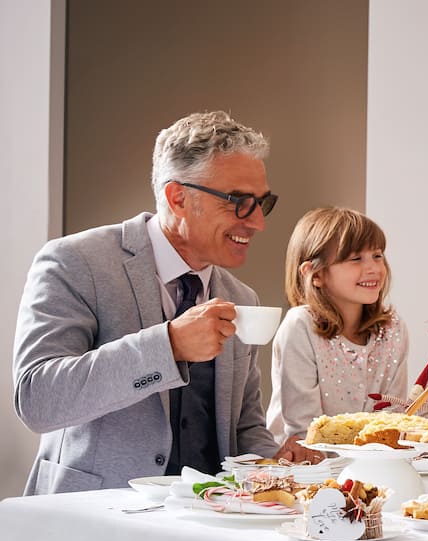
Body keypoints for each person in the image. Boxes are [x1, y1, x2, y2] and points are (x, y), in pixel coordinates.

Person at [12, 110, 318, 496]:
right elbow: (38, 400)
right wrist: (169, 345)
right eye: (239, 202)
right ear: (177, 197)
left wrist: (273, 461)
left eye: (262, 203)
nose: (258, 223)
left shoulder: (242, 298)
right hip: (93, 522)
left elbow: (242, 427)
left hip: (208, 528)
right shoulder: (75, 262)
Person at [267, 207, 409, 445]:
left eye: (377, 255)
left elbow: (392, 418)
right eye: (356, 259)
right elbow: (304, 430)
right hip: (303, 467)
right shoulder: (300, 325)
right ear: (315, 274)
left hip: (370, 466)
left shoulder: (393, 330)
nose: (374, 267)